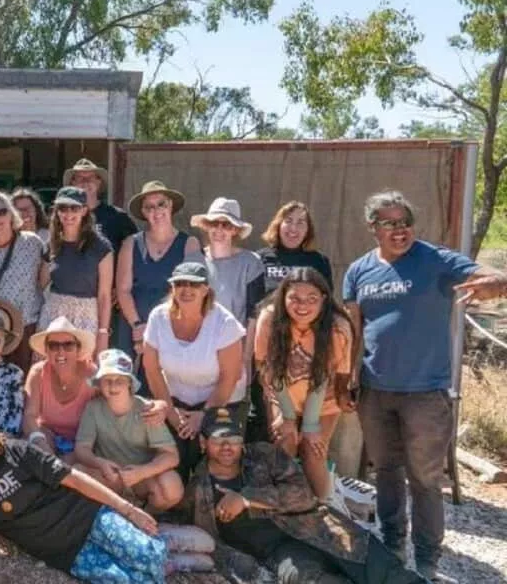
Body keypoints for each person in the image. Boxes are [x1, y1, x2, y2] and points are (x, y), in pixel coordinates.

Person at [343, 190, 507, 579]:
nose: (399, 230)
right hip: (375, 390)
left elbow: (485, 278)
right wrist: (348, 379)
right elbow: (354, 328)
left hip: (426, 394)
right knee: (385, 470)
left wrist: (497, 282)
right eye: (390, 223)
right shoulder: (358, 270)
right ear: (373, 228)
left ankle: (428, 558)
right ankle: (392, 542)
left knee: (425, 479)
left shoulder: (435, 259)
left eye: (405, 222)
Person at [185, 407, 426, 584]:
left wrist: (246, 498)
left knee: (385, 570)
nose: (227, 447)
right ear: (204, 443)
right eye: (219, 440)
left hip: (319, 528)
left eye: (234, 440)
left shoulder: (264, 456)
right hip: (281, 553)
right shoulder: (197, 489)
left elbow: (303, 495)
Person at [0, 412, 167, 582]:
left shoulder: (17, 451)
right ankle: (168, 549)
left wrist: (127, 509)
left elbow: (73, 478)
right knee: (131, 581)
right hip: (64, 552)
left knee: (150, 558)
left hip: (88, 518)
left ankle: (169, 546)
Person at [254, 268, 353, 501]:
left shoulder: (337, 327)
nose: (302, 306)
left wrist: (309, 426)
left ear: (324, 300)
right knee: (284, 442)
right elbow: (267, 368)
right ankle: (282, 506)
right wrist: (287, 416)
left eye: (312, 299)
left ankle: (323, 508)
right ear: (283, 297)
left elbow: (323, 378)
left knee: (313, 451)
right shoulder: (270, 318)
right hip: (282, 391)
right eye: (294, 298)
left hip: (323, 397)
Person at [143, 262, 246, 479]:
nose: (186, 290)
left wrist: (205, 416)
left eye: (194, 284)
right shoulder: (157, 317)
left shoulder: (224, 322)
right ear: (172, 288)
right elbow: (152, 370)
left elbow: (230, 377)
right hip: (174, 401)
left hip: (222, 402)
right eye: (180, 283)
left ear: (205, 289)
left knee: (216, 463)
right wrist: (170, 413)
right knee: (172, 462)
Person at [191, 197, 265, 441]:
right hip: (197, 350)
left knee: (227, 423)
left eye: (226, 225)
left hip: (234, 349)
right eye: (215, 224)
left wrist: (245, 357)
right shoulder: (195, 260)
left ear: (235, 230)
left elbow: (255, 313)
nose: (220, 230)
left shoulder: (250, 263)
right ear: (207, 226)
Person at [74, 350, 182, 513]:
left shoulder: (147, 409)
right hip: (109, 477)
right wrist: (99, 463)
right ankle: (108, 513)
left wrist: (142, 472)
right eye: (107, 380)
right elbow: (82, 448)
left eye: (120, 380)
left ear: (130, 383)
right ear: (99, 383)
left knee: (171, 486)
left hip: (142, 480)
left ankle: (148, 516)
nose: (113, 385)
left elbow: (171, 456)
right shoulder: (93, 408)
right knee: (77, 472)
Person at [115, 181, 200, 379]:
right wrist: (138, 326)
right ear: (143, 212)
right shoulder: (130, 244)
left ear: (170, 206)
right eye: (149, 207)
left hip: (172, 328)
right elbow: (123, 290)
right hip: (133, 327)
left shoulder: (189, 244)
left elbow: (191, 291)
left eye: (161, 204)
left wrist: (161, 327)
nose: (156, 211)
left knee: (168, 389)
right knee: (127, 386)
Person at [0, 191, 49, 372]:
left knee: (26, 381)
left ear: (11, 214)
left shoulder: (33, 243)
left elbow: (45, 282)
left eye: (1, 212)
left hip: (28, 325)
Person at [40, 186, 114, 349]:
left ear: (84, 211)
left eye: (74, 208)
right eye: (63, 208)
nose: (68, 214)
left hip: (86, 317)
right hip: (54, 316)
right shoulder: (51, 245)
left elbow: (104, 295)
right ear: (57, 212)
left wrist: (103, 332)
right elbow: (41, 285)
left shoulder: (101, 247)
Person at [23, 317, 99, 459]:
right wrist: (43, 446)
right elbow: (30, 416)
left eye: (68, 345)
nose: (61, 352)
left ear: (78, 349)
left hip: (83, 443)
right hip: (47, 438)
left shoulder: (92, 375)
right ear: (46, 350)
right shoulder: (38, 372)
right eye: (54, 346)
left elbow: (103, 419)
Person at [257, 201, 333, 295]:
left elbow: (326, 300)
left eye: (300, 223)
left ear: (307, 230)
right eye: (288, 221)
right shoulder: (258, 259)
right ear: (278, 226)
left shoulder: (319, 261)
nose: (293, 228)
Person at [64, 158, 137, 254]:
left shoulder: (118, 217)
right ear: (72, 183)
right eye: (80, 178)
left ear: (99, 182)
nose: (85, 182)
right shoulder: (64, 217)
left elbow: (135, 250)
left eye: (90, 178)